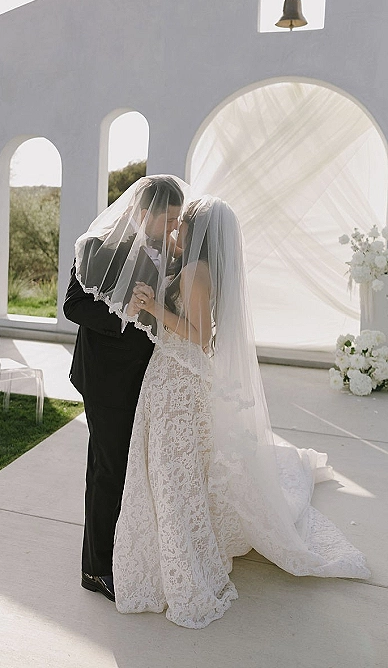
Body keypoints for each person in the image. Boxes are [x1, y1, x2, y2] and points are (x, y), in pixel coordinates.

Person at [106, 194, 371, 629]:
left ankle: (183, 571)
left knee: (174, 478)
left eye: (182, 225)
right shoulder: (196, 268)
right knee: (172, 475)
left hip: (179, 383)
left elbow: (199, 336)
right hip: (170, 378)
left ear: (197, 232)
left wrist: (154, 307)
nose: (175, 231)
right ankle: (170, 559)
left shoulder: (195, 271)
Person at [63, 175, 185, 602]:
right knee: (107, 469)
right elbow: (73, 305)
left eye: (176, 221)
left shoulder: (168, 254)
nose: (172, 228)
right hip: (105, 377)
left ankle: (121, 554)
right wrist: (122, 314)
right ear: (143, 212)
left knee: (126, 470)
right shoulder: (99, 248)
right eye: (167, 220)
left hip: (144, 378)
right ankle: (94, 570)